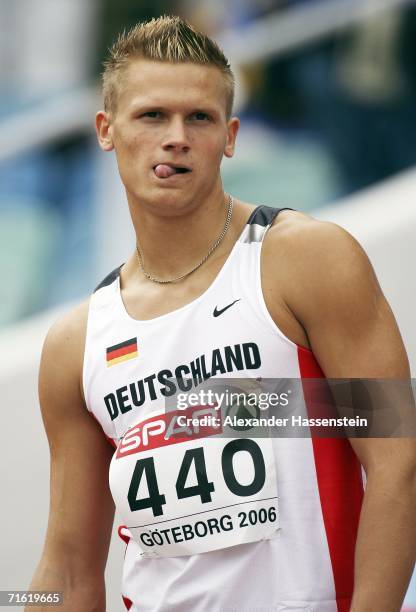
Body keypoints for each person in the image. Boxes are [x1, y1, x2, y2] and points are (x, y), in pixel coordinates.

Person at [27, 15, 416, 612]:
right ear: (106, 129)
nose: (176, 137)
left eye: (199, 118)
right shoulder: (75, 343)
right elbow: (69, 567)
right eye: (153, 115)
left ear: (230, 136)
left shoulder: (304, 259)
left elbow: (399, 459)